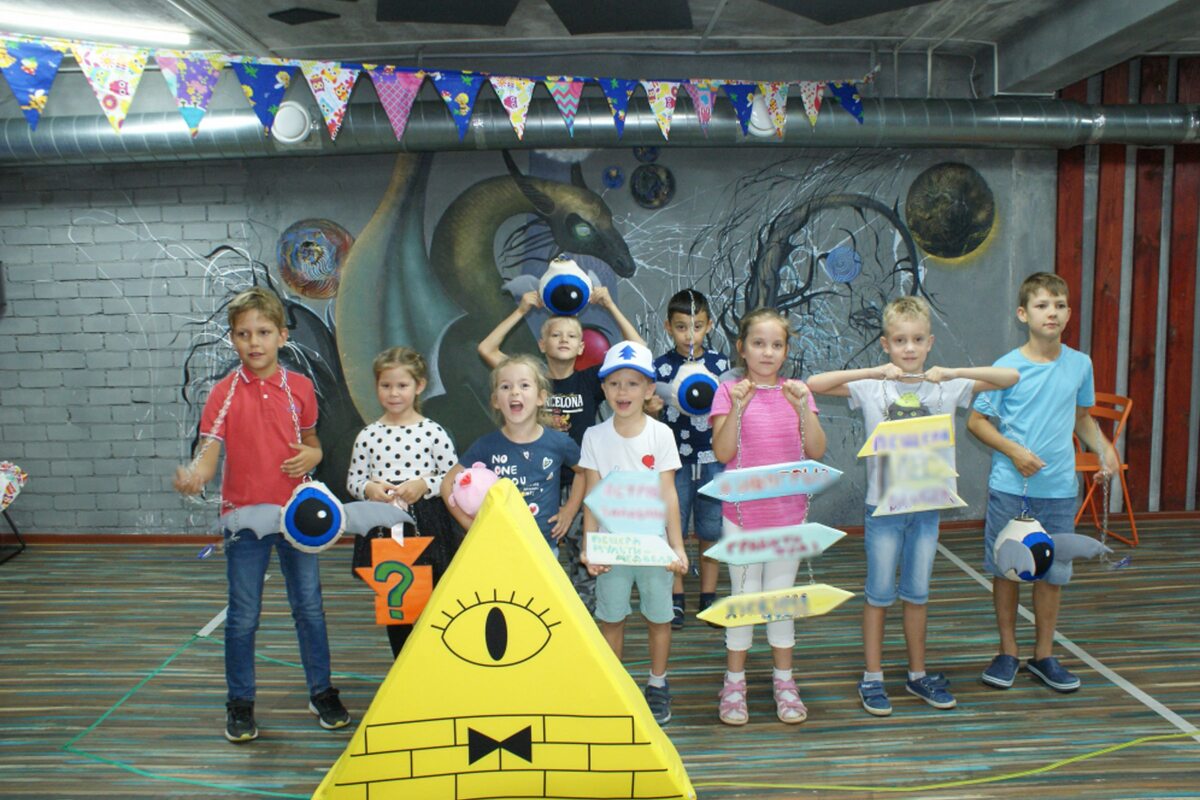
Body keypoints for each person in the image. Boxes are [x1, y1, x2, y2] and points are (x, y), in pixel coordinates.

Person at [807, 295, 1019, 716]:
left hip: (926, 508)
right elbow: (816, 383)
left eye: (918, 340)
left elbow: (1009, 377)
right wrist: (873, 370)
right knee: (878, 595)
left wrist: (954, 372)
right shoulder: (873, 387)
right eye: (900, 340)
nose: (909, 348)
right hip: (883, 509)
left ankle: (917, 674)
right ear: (886, 344)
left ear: (929, 343)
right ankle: (872, 677)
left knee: (917, 595)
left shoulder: (945, 386)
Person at [173, 287, 349, 743]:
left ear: (282, 336)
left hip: (296, 518)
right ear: (233, 338)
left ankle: (322, 691)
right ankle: (240, 702)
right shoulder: (223, 394)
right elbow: (209, 453)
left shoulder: (300, 388)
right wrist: (196, 475)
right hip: (244, 521)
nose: (254, 342)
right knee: (243, 615)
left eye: (264, 332)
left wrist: (314, 455)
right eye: (244, 334)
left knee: (309, 608)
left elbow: (311, 441)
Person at [967, 272, 1118, 693]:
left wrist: (1104, 449)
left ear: (1068, 313)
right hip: (1010, 488)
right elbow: (977, 422)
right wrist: (1014, 451)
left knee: (1052, 572)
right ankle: (1007, 652)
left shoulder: (1081, 364)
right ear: (1023, 314)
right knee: (1007, 569)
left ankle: (1044, 655)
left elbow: (1082, 418)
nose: (1052, 312)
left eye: (1059, 305)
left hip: (1059, 490)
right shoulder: (1005, 367)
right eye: (1041, 305)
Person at [478, 283, 646, 611]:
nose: (564, 339)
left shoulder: (591, 380)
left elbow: (638, 350)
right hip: (539, 481)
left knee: (586, 559)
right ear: (542, 344)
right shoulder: (530, 381)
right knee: (539, 561)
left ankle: (585, 618)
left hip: (582, 481)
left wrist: (610, 305)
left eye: (571, 335)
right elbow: (487, 348)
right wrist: (522, 309)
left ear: (582, 347)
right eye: (555, 335)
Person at [709, 307, 827, 726]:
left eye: (776, 345)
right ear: (742, 348)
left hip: (787, 516)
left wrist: (802, 408)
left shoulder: (798, 392)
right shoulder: (728, 392)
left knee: (780, 600)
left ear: (786, 351)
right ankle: (734, 682)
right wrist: (738, 408)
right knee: (743, 600)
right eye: (758, 344)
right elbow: (723, 452)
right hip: (741, 516)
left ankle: (784, 680)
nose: (767, 352)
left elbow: (816, 450)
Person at [580, 341, 688, 726]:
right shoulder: (594, 437)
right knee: (611, 617)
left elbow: (668, 494)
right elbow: (592, 495)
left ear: (648, 389)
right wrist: (590, 546)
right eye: (614, 384)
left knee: (659, 617)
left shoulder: (661, 435)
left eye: (632, 383)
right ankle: (615, 686)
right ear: (604, 389)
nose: (622, 391)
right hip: (612, 547)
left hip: (653, 546)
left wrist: (677, 546)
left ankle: (657, 683)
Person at [347, 347, 461, 659]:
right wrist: (370, 488)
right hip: (384, 525)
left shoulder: (433, 432)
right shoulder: (368, 435)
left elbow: (453, 477)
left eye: (402, 385)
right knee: (395, 601)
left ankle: (432, 663)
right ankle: (402, 663)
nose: (394, 393)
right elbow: (354, 480)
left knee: (431, 596)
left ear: (419, 385)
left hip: (427, 522)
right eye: (386, 385)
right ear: (376, 387)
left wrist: (424, 484)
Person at [443, 355, 582, 554]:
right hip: (500, 548)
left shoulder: (559, 442)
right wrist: (472, 526)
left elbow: (584, 472)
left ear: (541, 397)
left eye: (524, 385)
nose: (515, 392)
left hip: (545, 549)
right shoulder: (486, 445)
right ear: (495, 400)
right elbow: (447, 483)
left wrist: (569, 511)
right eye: (506, 386)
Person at [651, 289, 731, 629]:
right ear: (668, 326)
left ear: (709, 325)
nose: (689, 335)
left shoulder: (721, 366)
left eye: (697, 327)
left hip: (714, 459)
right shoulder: (660, 368)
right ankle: (676, 596)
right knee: (675, 527)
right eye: (682, 327)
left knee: (711, 529)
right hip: (674, 463)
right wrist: (651, 408)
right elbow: (651, 417)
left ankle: (709, 596)